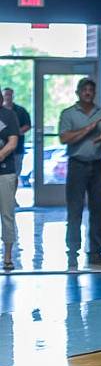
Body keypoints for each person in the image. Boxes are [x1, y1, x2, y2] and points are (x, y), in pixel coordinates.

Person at [59, 78, 101, 270]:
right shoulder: (68, 114)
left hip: (98, 165)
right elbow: (64, 138)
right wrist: (88, 129)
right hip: (77, 165)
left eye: (91, 90)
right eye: (84, 90)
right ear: (78, 92)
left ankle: (95, 252)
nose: (88, 93)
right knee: (74, 210)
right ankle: (72, 252)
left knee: (99, 211)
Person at [0, 105, 20, 270]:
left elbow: (13, 142)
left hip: (5, 172)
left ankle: (7, 257)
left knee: (7, 215)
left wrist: (0, 155)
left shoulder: (8, 115)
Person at [1, 87, 30, 184]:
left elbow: (27, 125)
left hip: (16, 148)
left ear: (13, 96)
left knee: (14, 174)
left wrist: (15, 132)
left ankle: (12, 196)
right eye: (6, 95)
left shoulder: (20, 110)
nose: (7, 97)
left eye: (10, 95)